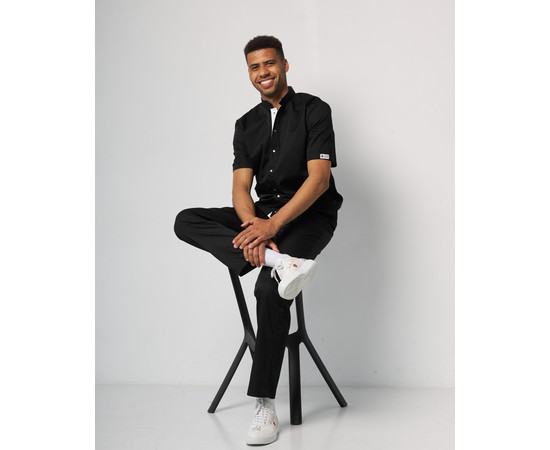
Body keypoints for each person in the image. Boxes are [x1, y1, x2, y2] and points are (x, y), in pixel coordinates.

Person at [174, 35, 343, 446]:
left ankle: (264, 403)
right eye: (254, 67)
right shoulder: (245, 124)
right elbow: (240, 188)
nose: (262, 72)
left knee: (269, 291)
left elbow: (319, 181)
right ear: (248, 73)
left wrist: (271, 228)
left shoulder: (314, 109)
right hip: (262, 216)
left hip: (309, 216)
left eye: (269, 63)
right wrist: (254, 226)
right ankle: (278, 261)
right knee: (186, 220)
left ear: (284, 65)